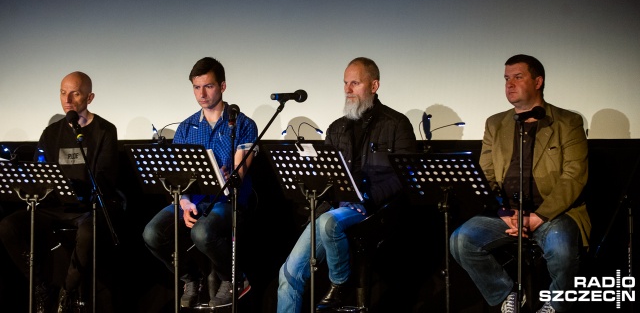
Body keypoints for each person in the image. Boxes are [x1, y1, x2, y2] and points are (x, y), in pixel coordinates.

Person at [449, 54, 590, 313]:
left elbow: (574, 176)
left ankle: (556, 306)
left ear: (538, 81)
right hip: (507, 213)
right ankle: (508, 293)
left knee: (562, 249)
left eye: (517, 77)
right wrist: (503, 212)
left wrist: (539, 217)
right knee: (461, 240)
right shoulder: (495, 123)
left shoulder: (568, 122)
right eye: (506, 79)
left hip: (553, 214)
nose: (509, 84)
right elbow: (487, 175)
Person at [277, 57, 417, 313]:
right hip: (333, 209)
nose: (348, 89)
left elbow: (404, 177)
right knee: (288, 275)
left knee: (329, 221)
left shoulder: (397, 124)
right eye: (345, 83)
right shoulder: (336, 128)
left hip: (375, 210)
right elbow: (326, 175)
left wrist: (368, 197)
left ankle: (341, 284)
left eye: (355, 83)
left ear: (374, 86)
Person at [142, 57, 258, 309]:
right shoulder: (185, 127)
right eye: (196, 87)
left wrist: (233, 174)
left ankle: (236, 279)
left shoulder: (243, 123)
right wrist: (183, 203)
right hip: (193, 199)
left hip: (228, 200)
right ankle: (190, 278)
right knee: (151, 233)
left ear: (223, 86)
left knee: (202, 231)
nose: (202, 94)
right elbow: (178, 175)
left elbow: (241, 169)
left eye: (208, 86)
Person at [0, 71, 120, 313]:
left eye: (75, 93)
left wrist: (81, 189)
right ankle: (42, 285)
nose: (68, 99)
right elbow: (38, 173)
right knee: (8, 226)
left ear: (89, 97)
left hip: (86, 209)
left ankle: (68, 291)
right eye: (63, 92)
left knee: (89, 231)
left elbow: (106, 176)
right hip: (53, 207)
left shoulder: (105, 130)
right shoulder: (51, 133)